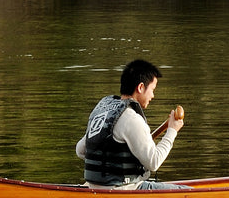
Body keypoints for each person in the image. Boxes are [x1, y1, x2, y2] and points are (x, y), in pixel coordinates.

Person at [76, 59, 188, 190]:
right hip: (122, 190)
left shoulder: (104, 113)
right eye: (152, 89)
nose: (153, 95)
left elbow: (80, 150)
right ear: (140, 87)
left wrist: (111, 164)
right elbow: (154, 162)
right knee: (189, 192)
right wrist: (172, 130)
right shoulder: (132, 118)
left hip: (93, 187)